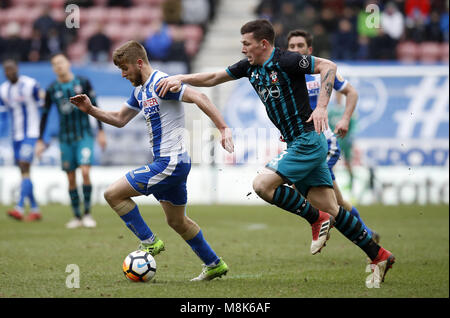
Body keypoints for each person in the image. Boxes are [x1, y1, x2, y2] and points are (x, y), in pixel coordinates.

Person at [156, 19, 395, 285]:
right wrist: (181, 78)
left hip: (307, 141)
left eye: (246, 44)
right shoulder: (249, 67)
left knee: (262, 185)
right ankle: (379, 255)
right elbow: (213, 78)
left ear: (263, 44)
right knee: (335, 210)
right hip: (297, 144)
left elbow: (329, 66)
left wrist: (323, 107)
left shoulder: (288, 61)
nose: (243, 49)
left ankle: (317, 220)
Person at [70, 40, 234, 281]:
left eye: (125, 69)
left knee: (113, 194)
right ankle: (214, 264)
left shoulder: (161, 83)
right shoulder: (140, 90)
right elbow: (120, 119)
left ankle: (149, 242)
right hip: (171, 163)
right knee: (177, 222)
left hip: (171, 162)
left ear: (139, 63)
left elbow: (199, 96)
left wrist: (223, 128)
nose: (124, 74)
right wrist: (91, 109)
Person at [285, 29, 379, 243]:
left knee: (297, 186)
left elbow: (351, 93)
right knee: (338, 200)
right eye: (292, 47)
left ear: (309, 50)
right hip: (302, 143)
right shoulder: (285, 74)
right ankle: (367, 235)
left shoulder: (322, 70)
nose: (296, 50)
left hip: (324, 142)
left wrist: (345, 118)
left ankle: (322, 222)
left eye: (300, 46)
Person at [36, 53, 107, 229]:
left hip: (84, 135)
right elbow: (44, 116)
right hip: (65, 138)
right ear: (53, 68)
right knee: (70, 177)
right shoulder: (52, 89)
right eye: (54, 64)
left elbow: (95, 106)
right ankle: (76, 216)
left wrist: (101, 131)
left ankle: (88, 214)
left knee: (84, 171)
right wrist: (40, 140)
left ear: (68, 63)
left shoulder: (82, 82)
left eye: (61, 62)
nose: (58, 66)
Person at [0, 59, 42, 221]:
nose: (9, 72)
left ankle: (19, 207)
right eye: (6, 70)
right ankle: (35, 209)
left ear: (17, 68)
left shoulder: (31, 85)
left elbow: (43, 107)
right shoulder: (3, 90)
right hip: (16, 136)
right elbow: (3, 116)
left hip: (31, 134)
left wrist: (43, 136)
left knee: (24, 166)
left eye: (11, 69)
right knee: (25, 173)